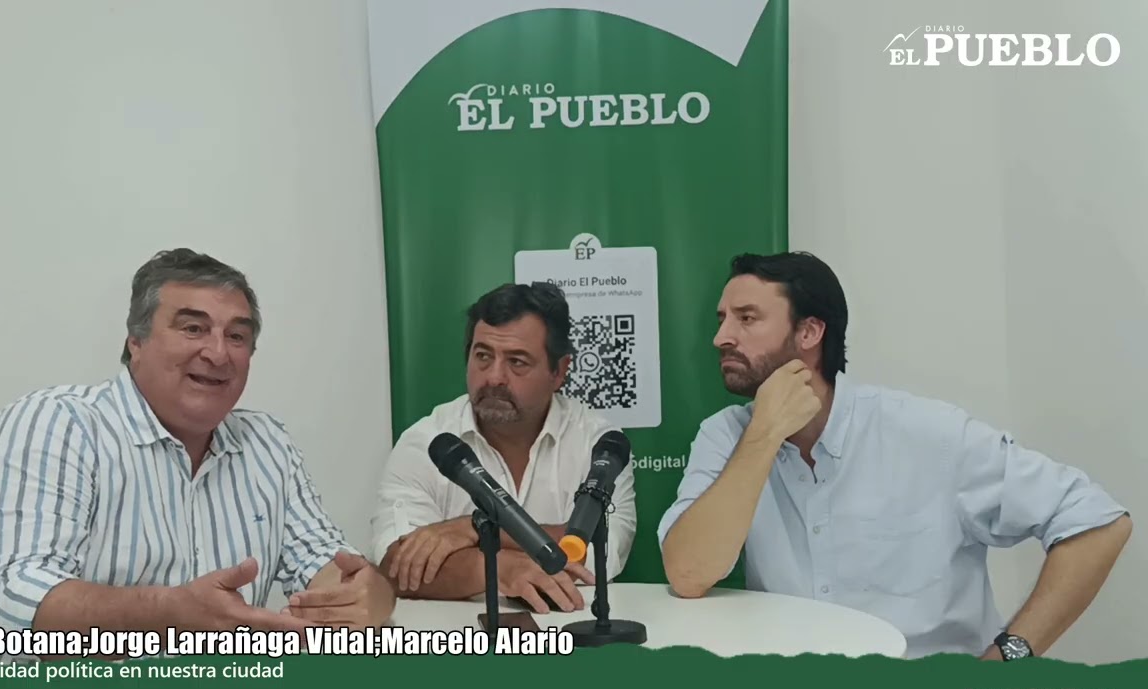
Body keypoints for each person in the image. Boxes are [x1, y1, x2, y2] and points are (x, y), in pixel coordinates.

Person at [658, 251, 1132, 660]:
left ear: (809, 332)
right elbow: (688, 575)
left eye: (746, 318)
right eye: (721, 319)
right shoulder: (727, 436)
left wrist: (1007, 656)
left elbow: (1099, 524)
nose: (721, 337)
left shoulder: (927, 434)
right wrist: (763, 435)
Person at [0, 248, 394, 661]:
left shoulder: (267, 443)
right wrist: (167, 616)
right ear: (136, 342)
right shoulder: (56, 424)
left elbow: (328, 565)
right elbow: (11, 602)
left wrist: (365, 593)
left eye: (237, 336)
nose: (218, 353)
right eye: (192, 328)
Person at [370, 282, 637, 615]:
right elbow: (399, 564)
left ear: (559, 372)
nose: (494, 377)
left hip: (571, 633)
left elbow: (603, 550)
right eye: (482, 356)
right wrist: (499, 568)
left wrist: (475, 529)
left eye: (517, 362)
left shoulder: (598, 442)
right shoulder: (427, 442)